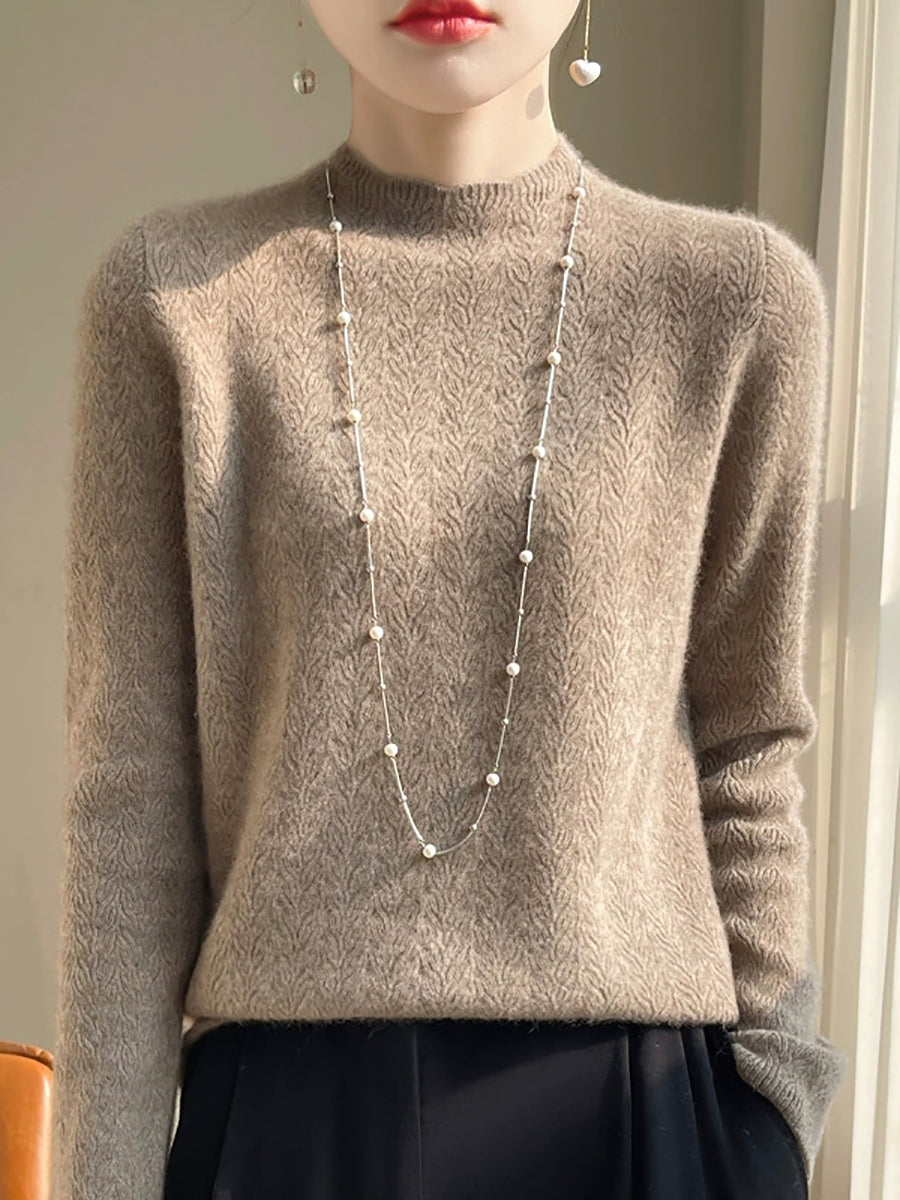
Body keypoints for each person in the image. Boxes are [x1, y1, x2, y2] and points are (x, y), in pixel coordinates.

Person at [50, 1, 848, 1198]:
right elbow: (130, 804)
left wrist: (773, 1115)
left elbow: (750, 741)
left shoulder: (734, 301)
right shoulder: (176, 301)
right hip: (289, 1133)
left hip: (641, 1125)